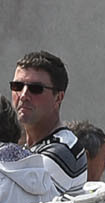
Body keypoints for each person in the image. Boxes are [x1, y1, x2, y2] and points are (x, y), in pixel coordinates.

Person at [11, 50, 87, 193]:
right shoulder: (29, 145)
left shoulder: (62, 151)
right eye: (17, 86)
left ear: (58, 98)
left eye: (35, 88)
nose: (23, 95)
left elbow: (10, 199)